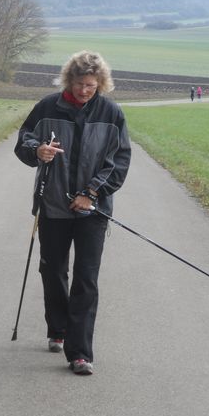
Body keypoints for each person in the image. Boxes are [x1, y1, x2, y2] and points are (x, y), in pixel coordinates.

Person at [14, 51, 131, 375]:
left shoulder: (111, 113)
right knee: (52, 271)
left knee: (86, 279)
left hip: (92, 210)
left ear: (100, 83)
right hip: (53, 206)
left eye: (91, 85)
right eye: (79, 84)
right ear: (69, 81)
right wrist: (37, 150)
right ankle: (58, 327)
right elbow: (23, 142)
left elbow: (119, 161)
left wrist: (91, 193)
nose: (84, 91)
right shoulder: (47, 107)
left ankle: (80, 353)